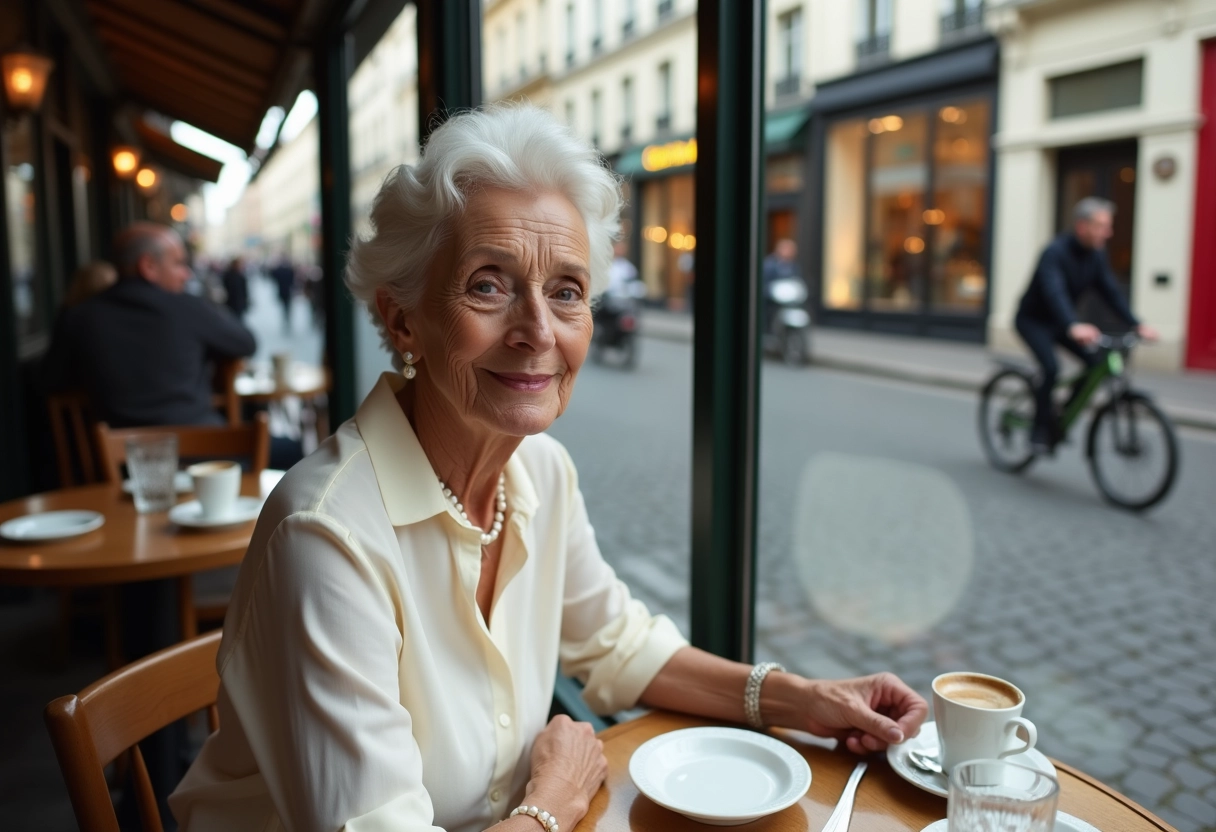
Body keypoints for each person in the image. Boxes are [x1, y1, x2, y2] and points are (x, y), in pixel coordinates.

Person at [169, 105, 927, 832]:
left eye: (567, 291)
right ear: (403, 319)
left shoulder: (542, 471)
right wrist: (553, 799)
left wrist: (805, 699)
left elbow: (615, 643)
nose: (538, 332)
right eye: (489, 285)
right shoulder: (326, 535)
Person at [42, 222, 256, 427]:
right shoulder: (187, 308)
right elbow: (247, 343)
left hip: (115, 458)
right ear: (148, 266)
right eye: (178, 263)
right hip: (205, 455)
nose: (186, 274)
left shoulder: (80, 316)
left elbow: (53, 381)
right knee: (289, 457)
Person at [1015, 197, 1158, 453]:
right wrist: (1073, 324)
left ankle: (1059, 419)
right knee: (1050, 368)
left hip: (1063, 323)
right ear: (1082, 226)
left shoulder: (1095, 256)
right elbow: (1053, 291)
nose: (1109, 233)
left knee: (1094, 364)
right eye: (1102, 226)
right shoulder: (1055, 252)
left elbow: (1110, 292)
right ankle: (1039, 429)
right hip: (1034, 321)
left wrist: (1136, 324)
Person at [270, 255, 296, 330]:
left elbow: (273, 276)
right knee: (287, 306)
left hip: (282, 291)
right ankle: (287, 318)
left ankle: (286, 318)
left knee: (284, 306)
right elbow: (292, 280)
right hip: (288, 291)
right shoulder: (289, 270)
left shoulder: (280, 270)